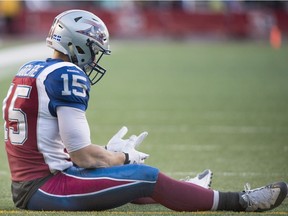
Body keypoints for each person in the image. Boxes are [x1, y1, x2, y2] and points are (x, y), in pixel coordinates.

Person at [2, 9, 287, 212]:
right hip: (47, 187)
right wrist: (121, 156)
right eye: (93, 48)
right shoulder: (67, 75)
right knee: (143, 175)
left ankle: (188, 190)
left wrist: (107, 153)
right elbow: (82, 155)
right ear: (76, 44)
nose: (94, 57)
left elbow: (52, 145)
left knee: (130, 176)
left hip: (37, 181)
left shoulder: (32, 69)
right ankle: (238, 201)